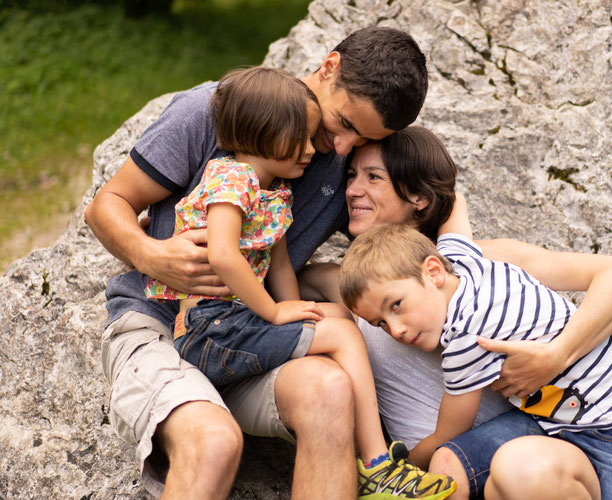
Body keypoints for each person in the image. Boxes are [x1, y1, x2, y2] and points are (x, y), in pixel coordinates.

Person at [85, 27, 428, 499]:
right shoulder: (215, 110)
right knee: (213, 442)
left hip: (247, 338)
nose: (345, 148)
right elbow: (107, 204)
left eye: (366, 138)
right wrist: (154, 255)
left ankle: (378, 472)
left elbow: (425, 206)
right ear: (329, 67)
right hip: (162, 325)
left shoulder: (341, 165)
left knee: (329, 391)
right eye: (345, 123)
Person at [298, 125, 612, 499]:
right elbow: (305, 279)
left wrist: (556, 355)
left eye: (373, 177)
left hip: (596, 429)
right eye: (351, 176)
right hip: (528, 432)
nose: (353, 190)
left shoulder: (473, 266)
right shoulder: (366, 285)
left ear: (418, 195)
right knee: (447, 467)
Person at [339, 220, 612, 499]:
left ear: (434, 271)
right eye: (380, 323)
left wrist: (397, 468)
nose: (394, 330)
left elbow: (445, 433)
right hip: (543, 420)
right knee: (448, 467)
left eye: (396, 305)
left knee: (440, 453)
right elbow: (455, 217)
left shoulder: (469, 335)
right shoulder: (463, 260)